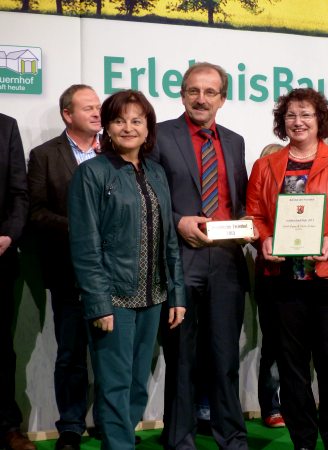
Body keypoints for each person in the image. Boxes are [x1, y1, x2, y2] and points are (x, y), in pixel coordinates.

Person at [246, 87, 328, 450]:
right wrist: (264, 238)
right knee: (291, 366)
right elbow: (253, 215)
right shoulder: (265, 166)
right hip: (282, 282)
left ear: (321, 121)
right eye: (290, 115)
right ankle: (303, 440)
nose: (298, 122)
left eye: (306, 115)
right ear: (282, 122)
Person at [68, 90, 186, 450]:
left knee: (137, 382)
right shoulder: (92, 173)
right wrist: (99, 302)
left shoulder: (157, 173)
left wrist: (177, 293)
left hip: (154, 297)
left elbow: (169, 240)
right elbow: (85, 245)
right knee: (115, 383)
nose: (128, 127)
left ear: (148, 127)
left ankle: (118, 441)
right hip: (113, 299)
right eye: (119, 120)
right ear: (107, 126)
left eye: (137, 120)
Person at [151, 62, 254, 450]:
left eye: (211, 92)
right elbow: (151, 197)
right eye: (194, 90)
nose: (201, 99)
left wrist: (250, 226)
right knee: (181, 359)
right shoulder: (160, 136)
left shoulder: (235, 140)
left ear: (222, 99)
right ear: (182, 94)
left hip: (227, 262)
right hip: (180, 260)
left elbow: (239, 200)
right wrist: (178, 223)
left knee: (226, 357)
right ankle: (179, 438)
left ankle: (232, 437)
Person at [27, 84, 101, 450]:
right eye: (87, 108)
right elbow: (37, 213)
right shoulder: (44, 155)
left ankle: (109, 421)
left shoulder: (117, 151)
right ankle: (71, 425)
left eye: (98, 106)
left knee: (110, 353)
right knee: (71, 353)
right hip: (68, 270)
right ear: (67, 115)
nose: (96, 113)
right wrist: (82, 228)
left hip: (114, 273)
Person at [0, 114, 35, 450]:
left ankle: (6, 426)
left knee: (1, 348)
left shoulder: (6, 126)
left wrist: (8, 235)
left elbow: (19, 193)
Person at [254, 143, 286, 429]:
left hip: (303, 278)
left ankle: (294, 404)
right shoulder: (260, 205)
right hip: (270, 277)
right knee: (273, 346)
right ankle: (271, 406)